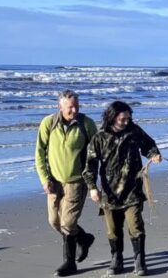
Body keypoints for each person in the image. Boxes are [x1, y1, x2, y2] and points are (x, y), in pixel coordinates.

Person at [84, 101, 162, 276]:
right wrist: (92, 188)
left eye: (129, 118)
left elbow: (148, 144)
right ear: (112, 118)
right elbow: (90, 165)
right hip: (109, 193)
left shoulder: (134, 131)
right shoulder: (99, 137)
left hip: (133, 189)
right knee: (113, 229)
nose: (127, 122)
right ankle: (117, 259)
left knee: (135, 225)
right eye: (123, 119)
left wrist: (154, 154)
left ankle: (139, 261)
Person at [35, 89, 98, 277]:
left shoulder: (86, 124)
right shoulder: (48, 123)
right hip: (54, 182)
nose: (74, 110)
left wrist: (93, 182)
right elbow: (39, 153)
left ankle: (69, 263)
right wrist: (45, 179)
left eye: (76, 106)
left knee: (68, 222)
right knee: (54, 222)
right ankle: (84, 239)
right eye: (70, 107)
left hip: (77, 182)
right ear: (60, 107)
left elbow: (96, 154)